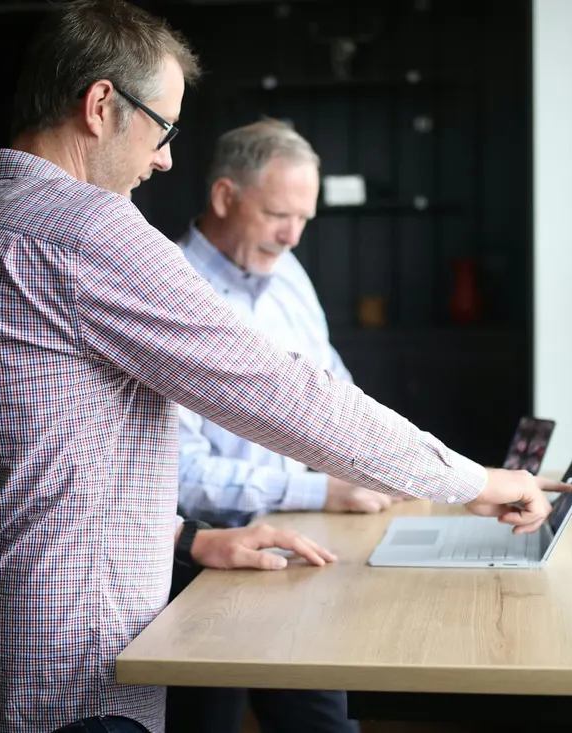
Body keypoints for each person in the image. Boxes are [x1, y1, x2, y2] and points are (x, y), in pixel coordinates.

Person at [0, 3, 567, 733]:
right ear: (100, 105)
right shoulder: (88, 231)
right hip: (74, 682)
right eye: (165, 128)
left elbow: (40, 465)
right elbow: (286, 395)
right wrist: (477, 481)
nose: (166, 158)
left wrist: (188, 536)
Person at [163, 119, 384, 733]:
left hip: (295, 547)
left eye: (303, 219)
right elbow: (178, 474)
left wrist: (383, 462)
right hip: (196, 563)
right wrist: (322, 488)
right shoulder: (168, 290)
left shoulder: (288, 272)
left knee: (324, 726)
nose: (291, 235)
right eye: (277, 215)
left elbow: (334, 389)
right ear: (225, 197)